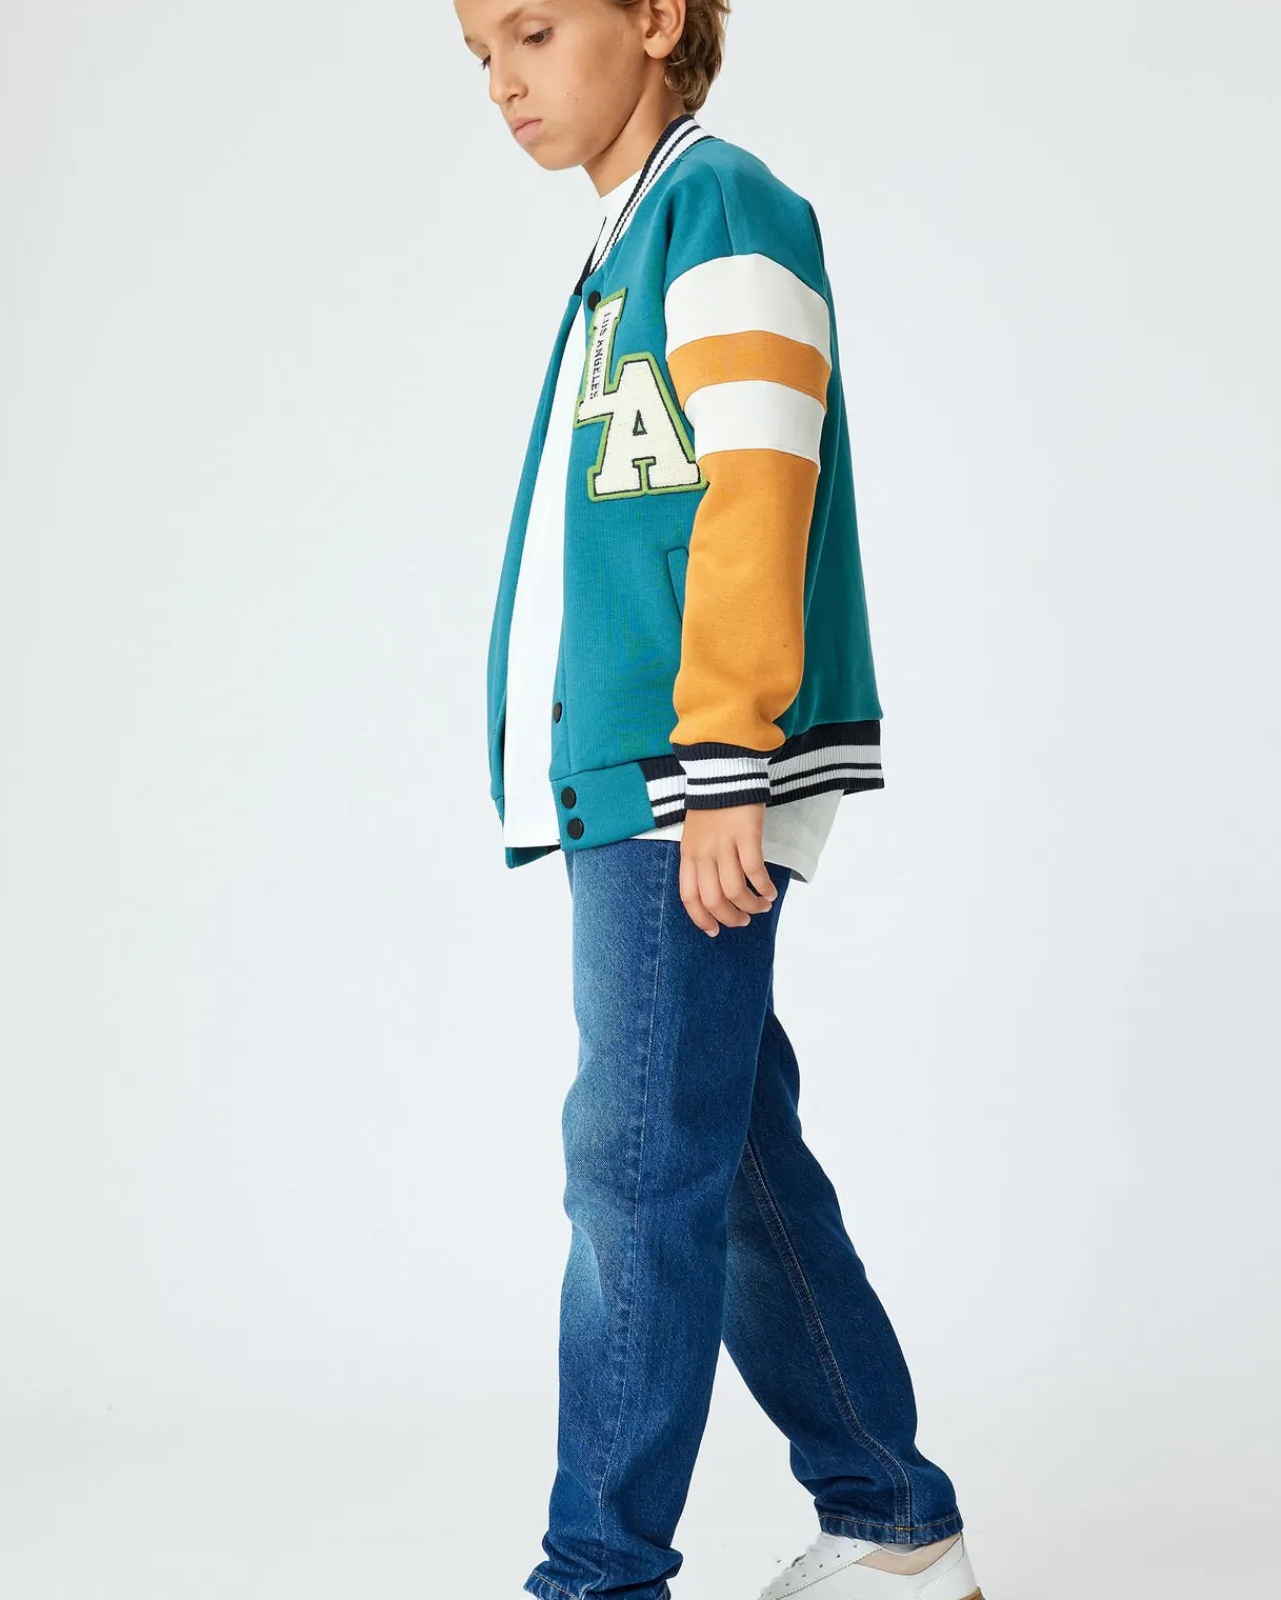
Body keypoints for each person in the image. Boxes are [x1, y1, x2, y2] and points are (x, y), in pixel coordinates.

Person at [456, 4, 985, 1598]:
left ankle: (597, 1575)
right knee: (730, 1161)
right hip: (641, 779)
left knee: (633, 1176)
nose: (504, 79)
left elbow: (759, 486)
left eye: (533, 29)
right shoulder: (630, 241)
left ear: (655, 17)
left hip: (682, 782)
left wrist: (725, 764)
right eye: (478, 52)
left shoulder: (722, 209)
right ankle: (895, 1525)